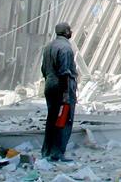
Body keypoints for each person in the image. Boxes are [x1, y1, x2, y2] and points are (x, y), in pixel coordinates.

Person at [41, 22, 77, 161]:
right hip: (63, 88)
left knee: (51, 119)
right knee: (63, 119)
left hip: (49, 85)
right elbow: (64, 72)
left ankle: (46, 151)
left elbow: (43, 69)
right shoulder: (66, 48)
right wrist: (66, 94)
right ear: (67, 32)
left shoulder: (48, 46)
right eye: (70, 30)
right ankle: (57, 153)